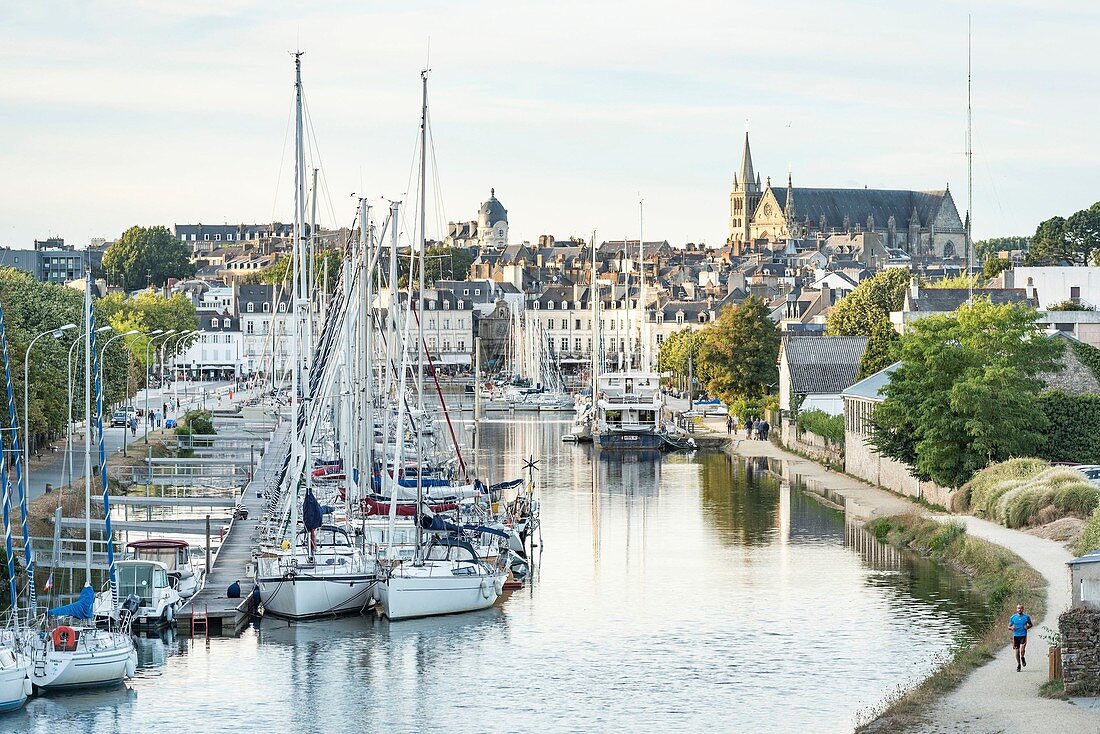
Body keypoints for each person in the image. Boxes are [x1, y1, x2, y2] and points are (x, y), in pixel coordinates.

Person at [1009, 603, 1033, 671]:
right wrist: (1011, 628)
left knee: (1022, 649)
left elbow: (1031, 624)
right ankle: (1019, 665)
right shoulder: (1013, 617)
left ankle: (1022, 657)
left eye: (1021, 608)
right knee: (1017, 651)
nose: (1020, 609)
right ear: (1016, 609)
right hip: (1016, 636)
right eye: (1018, 608)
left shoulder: (1026, 617)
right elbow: (1009, 626)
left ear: (1023, 609)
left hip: (1023, 635)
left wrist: (1027, 627)